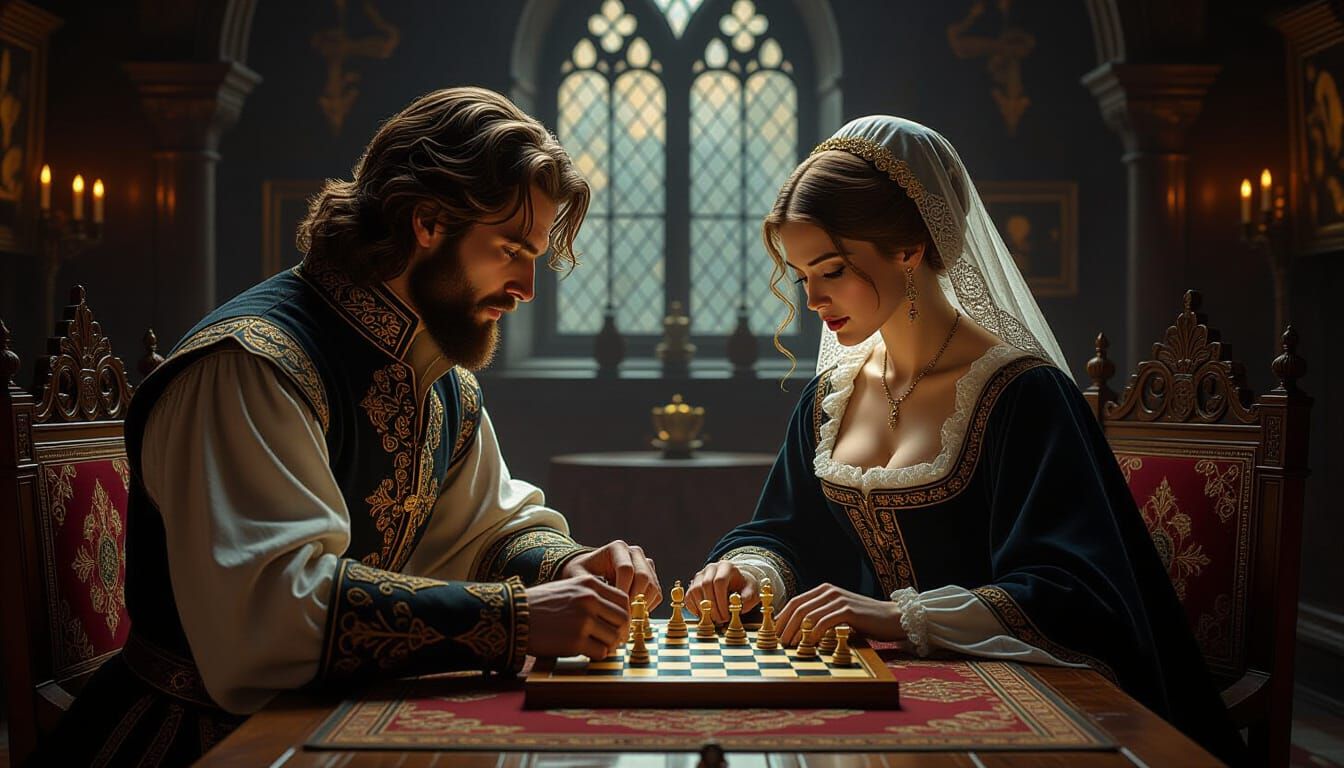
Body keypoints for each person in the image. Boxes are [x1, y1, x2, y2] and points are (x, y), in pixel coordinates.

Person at [42, 87, 661, 766]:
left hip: (337, 715)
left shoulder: (441, 378)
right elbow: (274, 613)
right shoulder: (250, 367)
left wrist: (568, 565)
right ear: (428, 222)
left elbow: (485, 531)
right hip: (201, 739)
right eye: (511, 249)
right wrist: (515, 621)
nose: (526, 287)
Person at [687, 116, 1244, 764]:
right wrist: (749, 572)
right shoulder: (828, 401)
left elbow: (1079, 597)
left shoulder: (1023, 397)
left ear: (908, 249)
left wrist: (895, 618)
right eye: (800, 274)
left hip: (1026, 713)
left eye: (832, 270)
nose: (811, 298)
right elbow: (786, 528)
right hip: (879, 704)